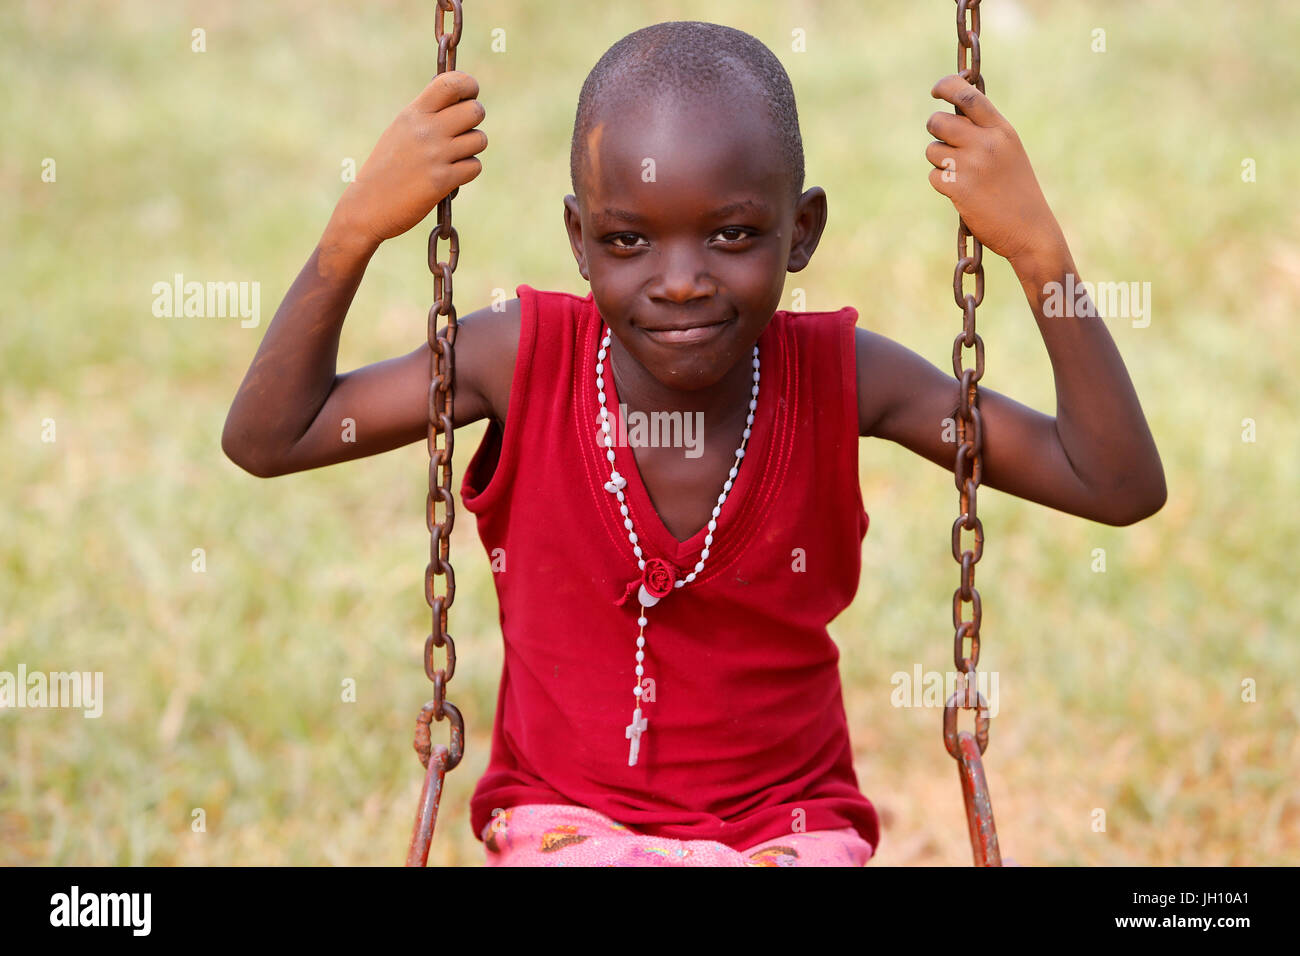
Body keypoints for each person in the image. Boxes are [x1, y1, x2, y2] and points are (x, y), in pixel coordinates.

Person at [222, 21, 1165, 867]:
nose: (680, 283)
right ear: (578, 240)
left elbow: (1113, 481)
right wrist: (357, 227)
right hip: (566, 825)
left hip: (789, 829)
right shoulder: (521, 358)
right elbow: (272, 436)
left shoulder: (845, 377)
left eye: (733, 234)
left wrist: (1040, 254)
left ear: (802, 233)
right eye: (630, 241)